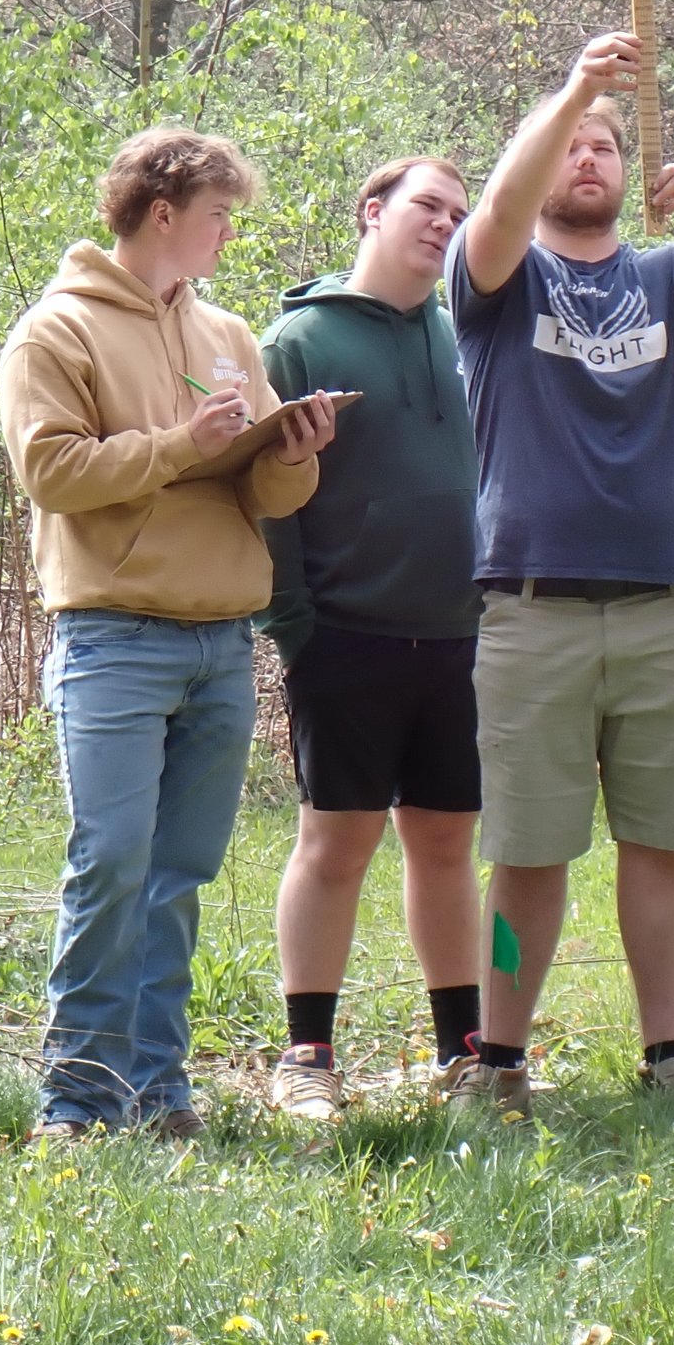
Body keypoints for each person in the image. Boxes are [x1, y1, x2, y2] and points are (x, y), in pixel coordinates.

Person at [443, 31, 674, 1116]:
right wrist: (579, 86)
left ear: (630, 172)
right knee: (525, 854)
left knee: (660, 843)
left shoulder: (667, 276)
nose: (588, 157)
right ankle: (499, 1061)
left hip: (669, 603)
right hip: (531, 606)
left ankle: (668, 1056)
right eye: (570, 144)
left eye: (607, 146)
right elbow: (498, 209)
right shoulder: (496, 281)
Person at [0, 127, 339, 1140]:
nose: (229, 235)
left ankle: (158, 1092)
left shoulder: (228, 335)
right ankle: (76, 1099)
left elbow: (268, 493)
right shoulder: (53, 334)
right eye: (218, 216)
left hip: (222, 643)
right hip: (113, 639)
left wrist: (294, 451)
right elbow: (52, 472)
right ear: (161, 214)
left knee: (178, 876)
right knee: (111, 865)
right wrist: (180, 445)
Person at [256, 157, 485, 1119]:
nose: (444, 224)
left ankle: (465, 1050)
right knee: (336, 840)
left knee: (448, 841)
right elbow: (264, 494)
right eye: (427, 205)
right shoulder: (298, 340)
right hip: (344, 635)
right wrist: (296, 627)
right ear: (372, 211)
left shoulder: (468, 333)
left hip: (465, 637)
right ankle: (307, 1054)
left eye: (458, 213)